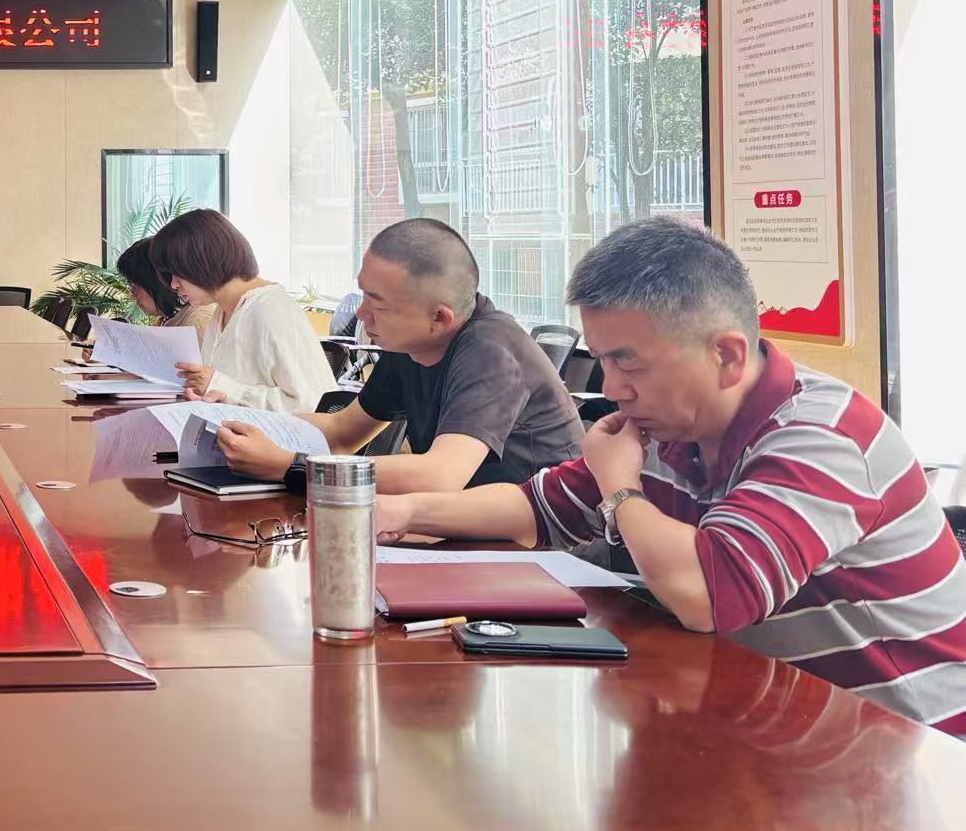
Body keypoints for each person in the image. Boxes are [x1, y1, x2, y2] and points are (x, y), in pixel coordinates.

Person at [375, 218, 966, 734]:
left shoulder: (825, 438)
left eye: (628, 362)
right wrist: (401, 512)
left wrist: (620, 489)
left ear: (726, 356)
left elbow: (706, 593)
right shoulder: (671, 423)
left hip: (904, 747)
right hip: (772, 716)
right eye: (602, 360)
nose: (612, 389)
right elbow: (538, 506)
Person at [215, 218, 583, 493]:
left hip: (537, 550)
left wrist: (291, 467)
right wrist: (238, 419)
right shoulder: (409, 344)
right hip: (460, 527)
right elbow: (343, 432)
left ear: (439, 318)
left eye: (378, 304)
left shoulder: (490, 350)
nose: (362, 314)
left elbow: (440, 475)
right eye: (363, 294)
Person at [148, 209, 334, 413]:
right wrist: (205, 397)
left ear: (201, 262)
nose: (173, 285)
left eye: (177, 273)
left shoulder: (272, 310)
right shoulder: (222, 312)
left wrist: (224, 388)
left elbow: (314, 405)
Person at [115, 237, 215, 349]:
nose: (132, 293)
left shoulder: (199, 320)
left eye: (135, 284)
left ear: (156, 281)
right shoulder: (169, 317)